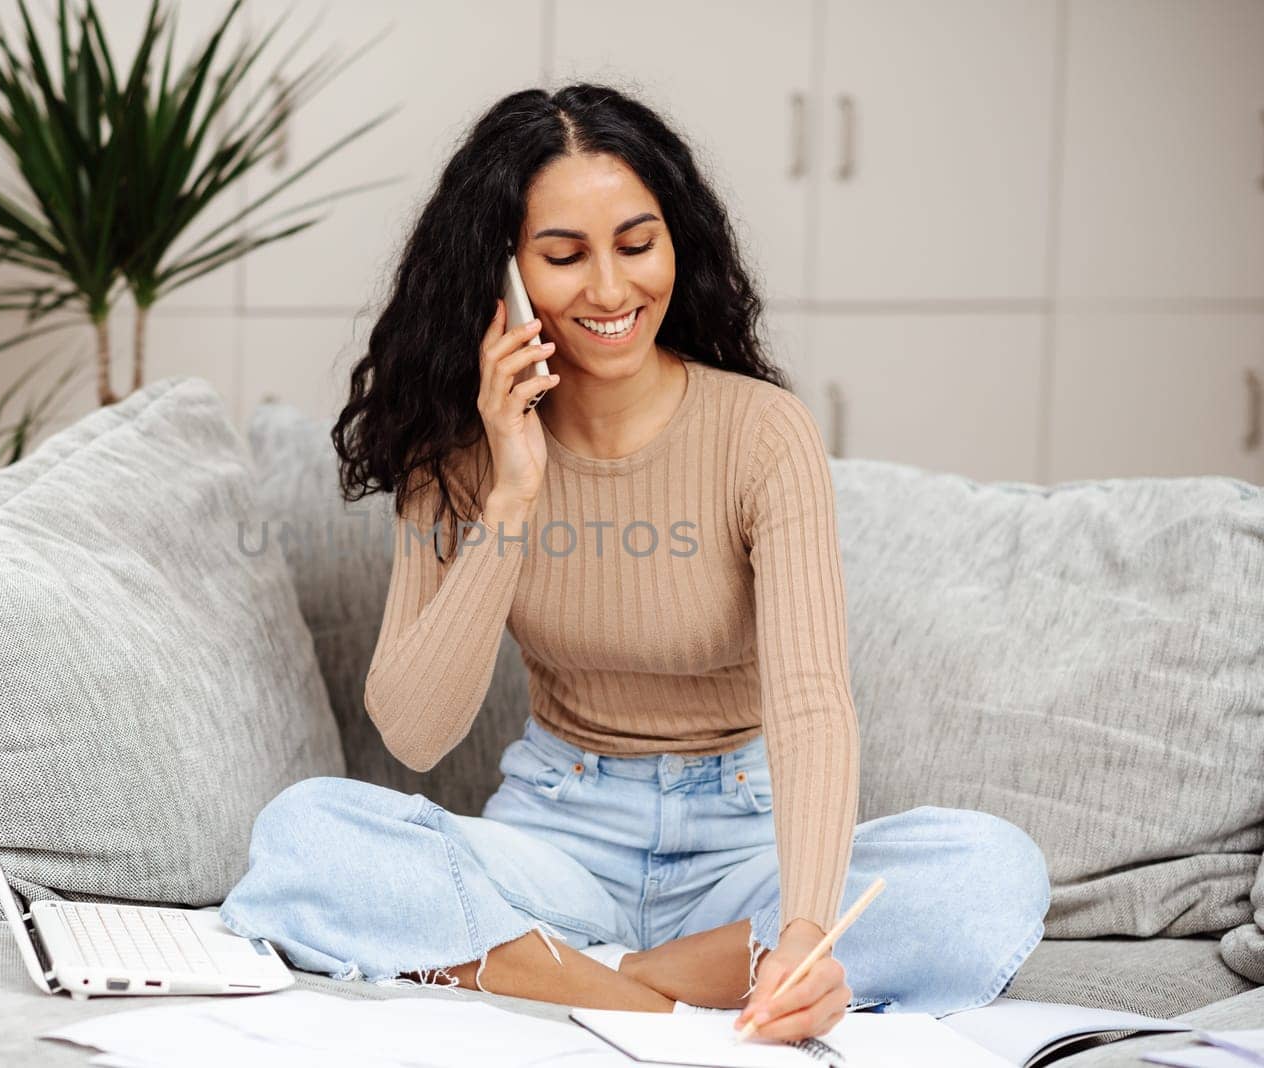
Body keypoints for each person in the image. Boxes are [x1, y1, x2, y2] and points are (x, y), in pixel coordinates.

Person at [219, 83, 1050, 1042]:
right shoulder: (456, 454)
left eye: (636, 243)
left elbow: (813, 702)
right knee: (304, 835)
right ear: (503, 276)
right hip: (561, 834)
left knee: (991, 872)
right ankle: (676, 991)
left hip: (747, 841)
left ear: (676, 241)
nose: (611, 291)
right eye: (564, 257)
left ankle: (582, 980)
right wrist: (513, 491)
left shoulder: (762, 433)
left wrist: (809, 931)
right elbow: (413, 733)